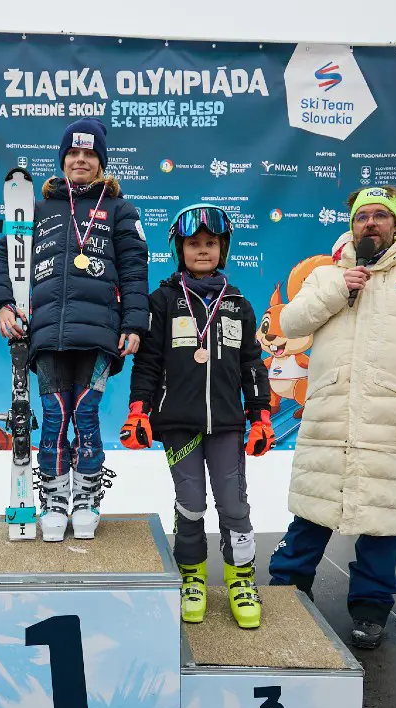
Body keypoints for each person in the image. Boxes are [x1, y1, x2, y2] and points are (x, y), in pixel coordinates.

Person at [266, 185, 396, 649]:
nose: (371, 224)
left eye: (381, 216)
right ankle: (287, 589)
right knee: (312, 508)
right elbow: (292, 323)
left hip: (390, 419)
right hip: (329, 416)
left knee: (384, 520)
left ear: (395, 223)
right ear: (352, 224)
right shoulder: (326, 276)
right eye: (364, 217)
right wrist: (341, 287)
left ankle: (371, 607)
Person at [0, 118, 149, 541]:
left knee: (88, 416)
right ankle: (55, 498)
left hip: (98, 333)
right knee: (56, 416)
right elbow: (6, 258)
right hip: (46, 333)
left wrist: (134, 322)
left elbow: (133, 271)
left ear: (101, 162)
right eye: (73, 154)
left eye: (89, 154)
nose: (80, 160)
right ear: (62, 160)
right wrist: (3, 304)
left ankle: (87, 497)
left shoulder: (120, 210)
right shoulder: (36, 209)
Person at [121, 204, 272, 628]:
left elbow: (252, 365)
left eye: (210, 244)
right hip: (178, 425)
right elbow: (148, 364)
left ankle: (242, 577)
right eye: (193, 244)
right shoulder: (162, 301)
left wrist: (260, 416)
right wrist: (139, 411)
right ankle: (192, 575)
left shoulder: (238, 304)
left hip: (227, 425)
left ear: (222, 249)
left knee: (233, 504)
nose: (202, 250)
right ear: (180, 249)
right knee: (190, 503)